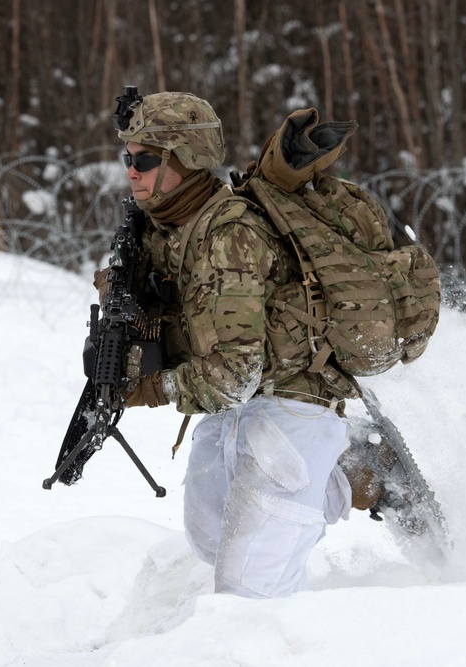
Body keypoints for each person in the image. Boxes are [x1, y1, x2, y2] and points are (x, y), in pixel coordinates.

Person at [111, 90, 355, 598]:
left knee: (250, 590)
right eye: (127, 158)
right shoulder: (170, 228)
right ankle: (353, 475)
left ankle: (358, 470)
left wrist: (150, 389)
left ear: (186, 160)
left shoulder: (229, 234)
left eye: (145, 160)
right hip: (237, 407)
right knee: (209, 539)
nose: (131, 171)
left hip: (291, 403)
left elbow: (233, 375)